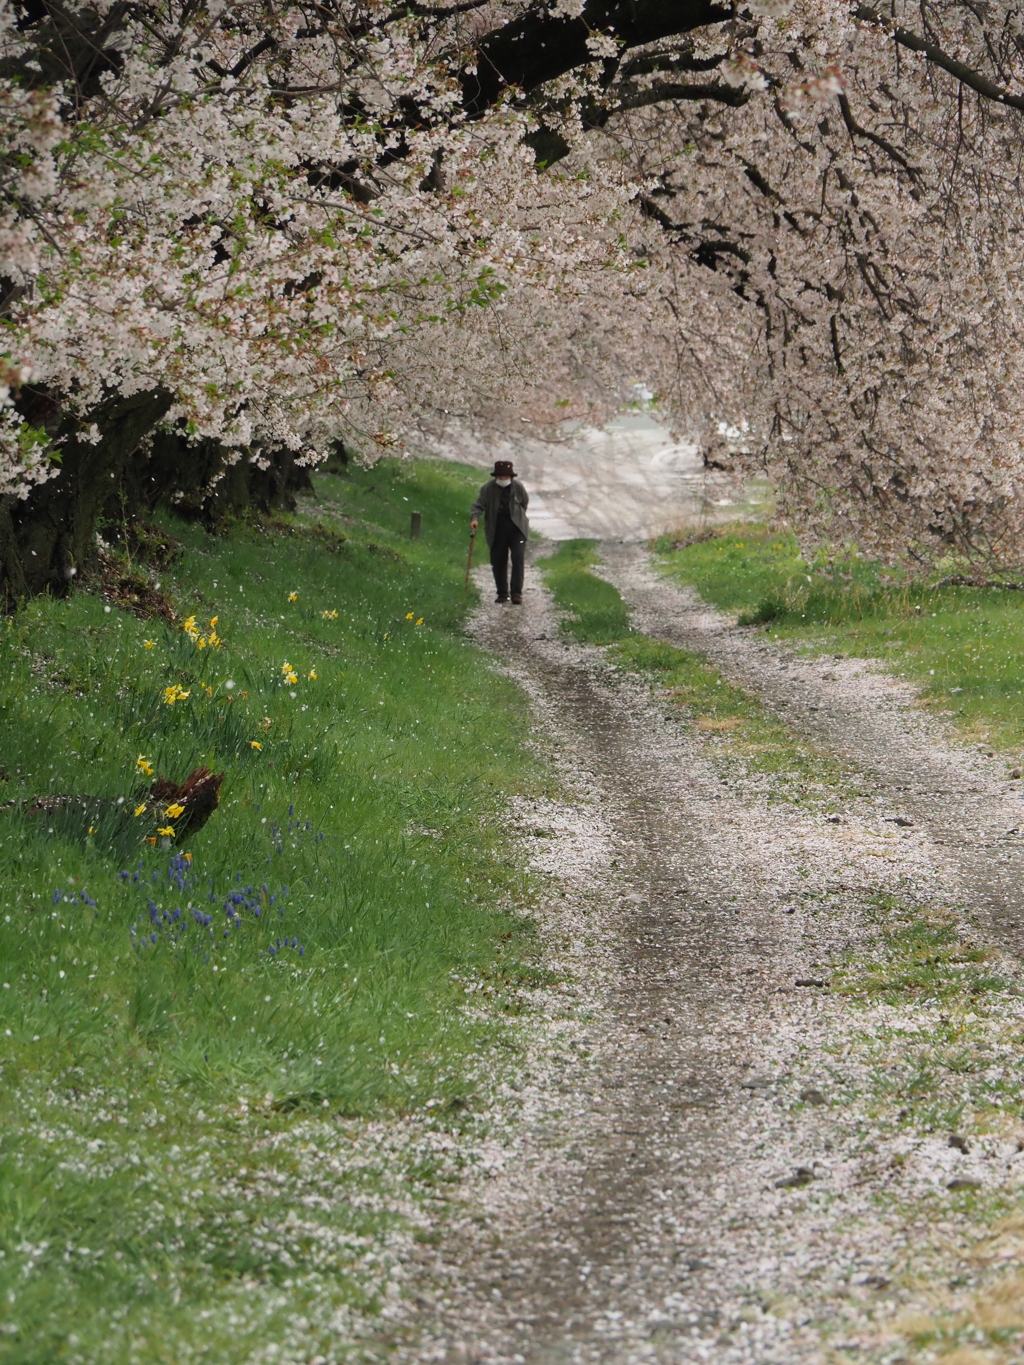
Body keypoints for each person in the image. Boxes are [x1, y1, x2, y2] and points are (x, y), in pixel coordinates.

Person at [470, 460, 530, 604]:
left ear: (510, 476)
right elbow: (478, 505)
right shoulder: (488, 488)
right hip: (497, 527)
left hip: (517, 528)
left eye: (505, 476)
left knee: (518, 558)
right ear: (496, 476)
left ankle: (516, 593)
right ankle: (502, 593)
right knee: (498, 561)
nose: (503, 479)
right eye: (500, 476)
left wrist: (518, 517)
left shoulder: (518, 487)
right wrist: (475, 518)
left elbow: (524, 503)